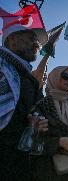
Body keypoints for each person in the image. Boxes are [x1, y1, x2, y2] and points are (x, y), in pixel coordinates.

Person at [0, 11, 49, 180]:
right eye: (31, 38)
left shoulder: (32, 82)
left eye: (37, 41)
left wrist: (39, 123)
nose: (37, 43)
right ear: (12, 40)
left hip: (19, 167)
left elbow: (39, 111)